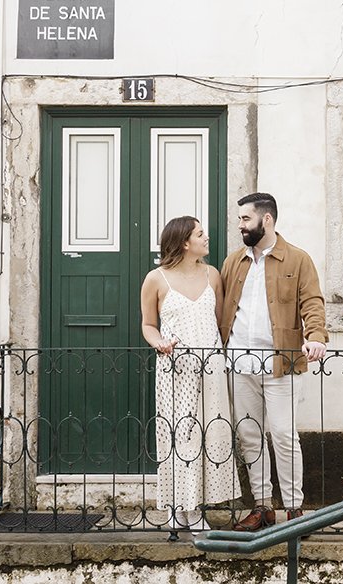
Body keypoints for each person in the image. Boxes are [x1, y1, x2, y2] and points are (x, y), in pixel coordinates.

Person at [219, 192, 328, 531]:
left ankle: (294, 511)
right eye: (240, 219)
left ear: (266, 220)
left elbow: (312, 303)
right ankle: (263, 507)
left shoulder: (297, 260)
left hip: (282, 364)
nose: (240, 225)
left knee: (283, 435)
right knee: (250, 436)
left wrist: (316, 337)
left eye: (245, 219)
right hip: (239, 364)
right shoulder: (233, 262)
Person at [140, 216, 241, 530]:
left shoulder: (213, 275)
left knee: (207, 434)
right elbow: (147, 324)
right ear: (185, 242)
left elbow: (221, 321)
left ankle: (195, 508)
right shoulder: (155, 279)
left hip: (210, 367)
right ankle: (174, 506)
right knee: (177, 434)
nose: (206, 237)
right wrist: (159, 343)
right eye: (200, 233)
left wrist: (215, 354)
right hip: (175, 370)